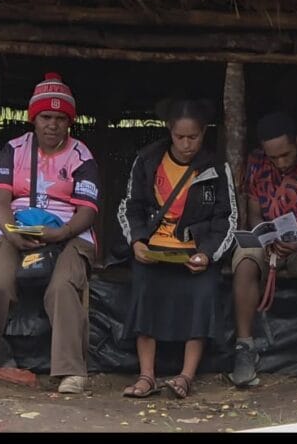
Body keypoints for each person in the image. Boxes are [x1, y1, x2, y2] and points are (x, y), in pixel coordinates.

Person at [0, 72, 101, 394]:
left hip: (69, 233)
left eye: (60, 119)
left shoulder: (81, 155)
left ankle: (70, 371)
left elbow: (88, 211)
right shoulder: (14, 149)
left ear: (70, 122)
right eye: (45, 117)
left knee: (63, 286)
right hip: (16, 229)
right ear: (33, 119)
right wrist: (10, 232)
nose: (52, 125)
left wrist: (62, 233)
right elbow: (0, 200)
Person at [118, 99, 237, 399]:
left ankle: (186, 377)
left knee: (203, 292)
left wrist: (207, 254)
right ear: (169, 131)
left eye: (193, 137)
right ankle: (146, 376)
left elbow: (227, 219)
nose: (186, 144)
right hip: (154, 250)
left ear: (204, 132)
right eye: (180, 137)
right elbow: (130, 206)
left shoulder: (216, 168)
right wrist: (137, 242)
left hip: (194, 252)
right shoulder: (147, 161)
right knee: (144, 289)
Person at [230, 112, 297, 387]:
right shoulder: (256, 164)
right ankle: (244, 347)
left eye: (285, 154)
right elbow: (255, 214)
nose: (280, 162)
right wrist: (264, 239)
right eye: (273, 157)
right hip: (270, 244)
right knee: (244, 261)